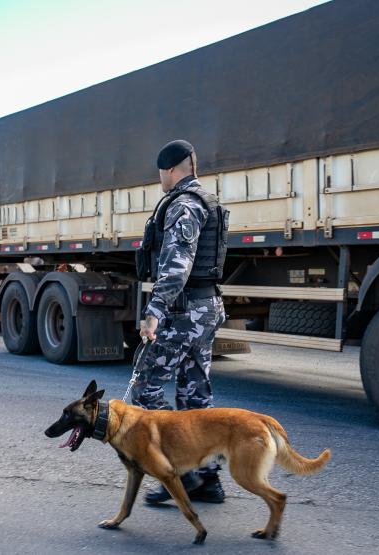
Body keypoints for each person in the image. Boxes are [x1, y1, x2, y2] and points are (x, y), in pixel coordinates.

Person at [132, 139, 229, 504]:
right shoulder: (208, 201)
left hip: (183, 312)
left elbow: (177, 265)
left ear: (171, 169)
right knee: (195, 395)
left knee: (146, 387)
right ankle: (207, 480)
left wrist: (154, 312)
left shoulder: (184, 205)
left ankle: (182, 474)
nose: (160, 179)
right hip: (205, 308)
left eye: (161, 173)